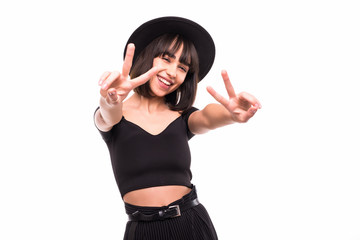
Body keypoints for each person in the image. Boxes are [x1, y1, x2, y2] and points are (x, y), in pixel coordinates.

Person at [94, 16, 261, 240]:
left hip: (192, 224)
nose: (172, 72)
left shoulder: (183, 117)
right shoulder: (114, 117)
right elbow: (106, 116)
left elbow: (208, 117)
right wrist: (110, 100)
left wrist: (231, 114)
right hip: (142, 231)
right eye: (166, 59)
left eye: (182, 67)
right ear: (147, 57)